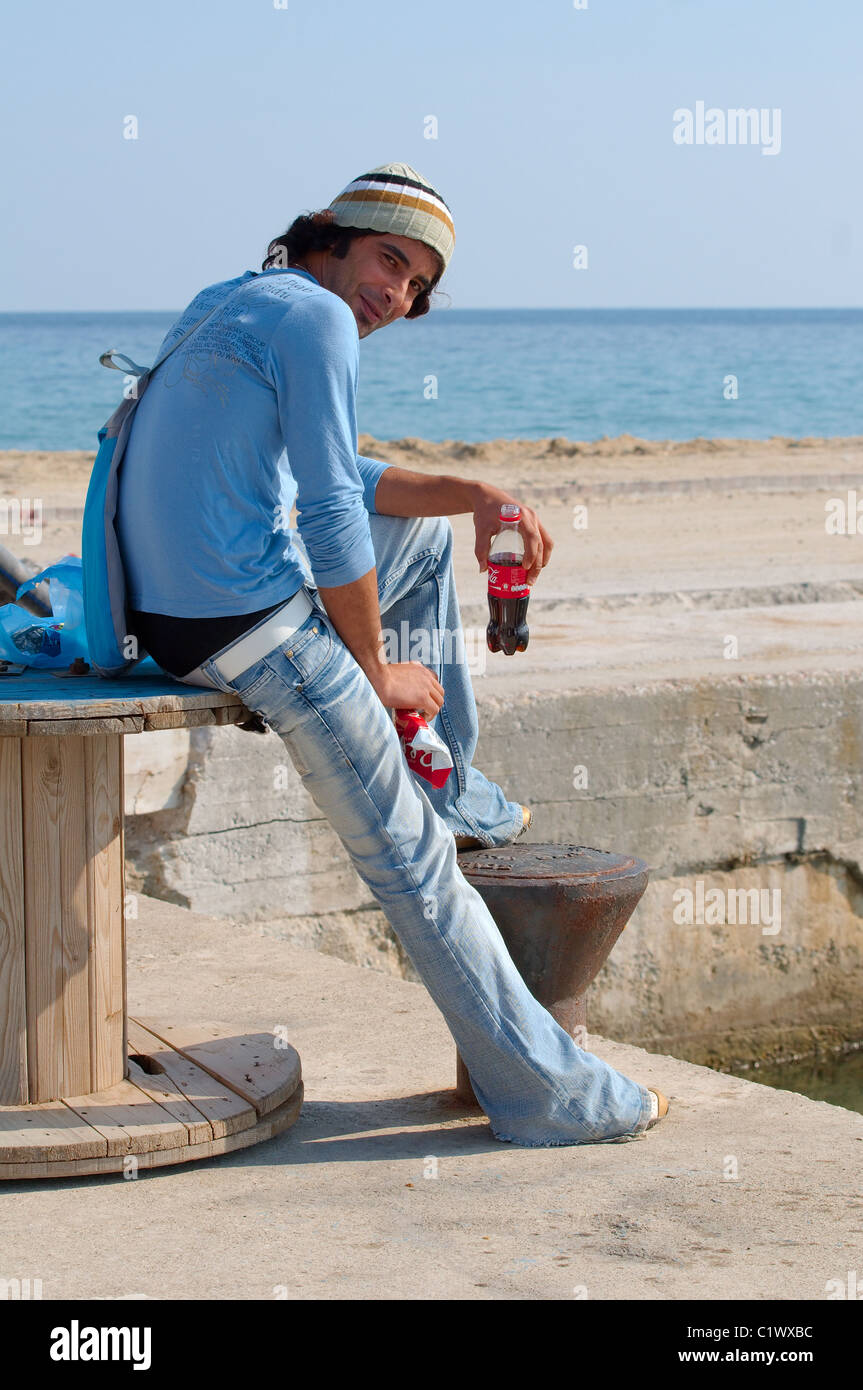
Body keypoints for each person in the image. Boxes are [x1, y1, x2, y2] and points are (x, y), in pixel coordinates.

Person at [116, 161, 668, 1144]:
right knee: (413, 868)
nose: (395, 294)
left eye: (416, 283)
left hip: (169, 615)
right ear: (332, 233)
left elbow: (335, 475)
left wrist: (475, 493)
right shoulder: (315, 320)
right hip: (251, 632)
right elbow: (328, 512)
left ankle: (443, 780)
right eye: (387, 259)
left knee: (414, 539)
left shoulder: (235, 300)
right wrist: (371, 673)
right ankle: (552, 1097)